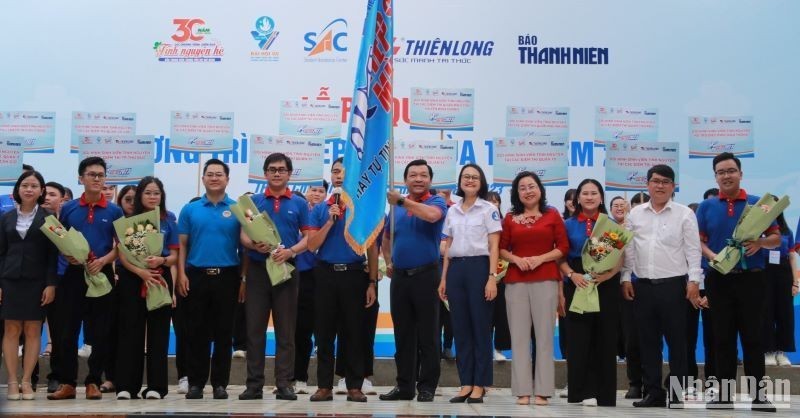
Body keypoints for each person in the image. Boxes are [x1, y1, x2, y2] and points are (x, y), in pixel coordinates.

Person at [696, 152, 780, 411]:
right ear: (715, 176)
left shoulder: (758, 205)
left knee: (754, 338)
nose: (726, 175)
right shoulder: (706, 206)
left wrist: (760, 243)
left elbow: (776, 239)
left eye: (731, 170)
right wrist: (712, 256)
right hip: (718, 280)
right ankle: (723, 395)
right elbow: (699, 241)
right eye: (721, 172)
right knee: (722, 339)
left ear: (740, 174)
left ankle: (759, 396)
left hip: (752, 281)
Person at [621, 165, 702, 408]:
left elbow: (693, 250)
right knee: (648, 343)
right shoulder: (635, 215)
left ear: (673, 186)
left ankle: (677, 394)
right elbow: (629, 249)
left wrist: (694, 281)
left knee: (678, 342)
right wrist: (626, 277)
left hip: (674, 287)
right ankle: (653, 393)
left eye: (666, 181)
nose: (660, 185)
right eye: (655, 181)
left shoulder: (684, 214)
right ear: (647, 184)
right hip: (643, 286)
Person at [48, 157, 123, 400]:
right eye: (92, 174)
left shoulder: (115, 210)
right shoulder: (68, 208)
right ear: (81, 178)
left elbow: (122, 246)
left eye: (101, 175)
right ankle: (68, 382)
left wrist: (104, 260)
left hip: (102, 274)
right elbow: (58, 238)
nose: (97, 179)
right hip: (72, 275)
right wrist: (66, 254)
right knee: (67, 331)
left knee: (101, 331)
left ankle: (93, 381)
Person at [238, 153, 310, 401]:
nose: (276, 173)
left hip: (286, 270)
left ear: (289, 174)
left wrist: (291, 251)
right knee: (254, 330)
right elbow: (244, 235)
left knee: (286, 331)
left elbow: (309, 237)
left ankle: (284, 384)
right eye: (272, 169)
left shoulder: (300, 204)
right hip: (259, 270)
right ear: (265, 174)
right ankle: (254, 385)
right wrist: (252, 245)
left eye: (281, 169)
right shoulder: (254, 201)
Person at [306, 158, 377, 402]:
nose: (339, 176)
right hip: (325, 274)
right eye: (336, 172)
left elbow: (372, 248)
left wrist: (372, 282)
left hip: (354, 275)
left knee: (354, 332)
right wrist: (330, 221)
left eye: (345, 173)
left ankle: (354, 385)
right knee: (324, 333)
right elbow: (312, 245)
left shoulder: (363, 208)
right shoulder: (318, 209)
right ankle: (324, 386)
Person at [379, 159, 447, 403]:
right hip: (400, 279)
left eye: (423, 175)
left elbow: (431, 217)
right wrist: (388, 261)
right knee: (403, 334)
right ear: (406, 180)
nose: (418, 179)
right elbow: (386, 239)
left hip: (427, 276)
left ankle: (427, 386)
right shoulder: (395, 209)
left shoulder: (436, 201)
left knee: (428, 335)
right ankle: (404, 386)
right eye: (413, 175)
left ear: (430, 179)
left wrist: (401, 200)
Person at [499, 171, 568, 406]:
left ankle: (543, 390)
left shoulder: (552, 214)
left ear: (540, 189)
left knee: (545, 337)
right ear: (516, 193)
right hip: (516, 281)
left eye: (531, 186)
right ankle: (522, 391)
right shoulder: (509, 217)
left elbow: (563, 246)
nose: (528, 191)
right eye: (522, 188)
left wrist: (541, 258)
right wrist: (516, 260)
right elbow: (501, 248)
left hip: (546, 279)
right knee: (518, 338)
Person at [176, 159, 241, 400]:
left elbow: (244, 247)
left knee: (224, 333)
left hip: (228, 276)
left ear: (227, 179)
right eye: (210, 174)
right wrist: (181, 274)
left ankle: (220, 384)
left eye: (219, 174)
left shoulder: (237, 209)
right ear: (203, 179)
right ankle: (196, 384)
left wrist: (242, 279)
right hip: (196, 276)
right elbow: (182, 244)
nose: (214, 178)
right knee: (197, 333)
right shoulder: (190, 209)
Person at [438, 164, 501, 403]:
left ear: (481, 182)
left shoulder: (488, 209)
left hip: (479, 268)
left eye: (475, 177)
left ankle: (480, 384)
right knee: (460, 328)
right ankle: (465, 382)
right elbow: (448, 246)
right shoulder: (452, 211)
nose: (470, 180)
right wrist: (444, 278)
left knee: (480, 328)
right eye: (466, 177)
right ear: (460, 181)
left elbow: (494, 245)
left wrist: (492, 277)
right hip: (456, 270)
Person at [113, 177, 178, 400]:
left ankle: (156, 387)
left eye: (157, 193)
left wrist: (161, 261)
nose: (152, 197)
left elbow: (175, 255)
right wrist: (140, 271)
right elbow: (121, 254)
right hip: (132, 278)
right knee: (130, 332)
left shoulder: (169, 220)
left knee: (159, 334)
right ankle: (126, 386)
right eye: (148, 192)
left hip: (160, 277)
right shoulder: (128, 220)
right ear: (140, 195)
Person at [559, 178, 621, 407]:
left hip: (605, 283)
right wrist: (571, 275)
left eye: (594, 193)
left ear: (601, 197)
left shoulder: (610, 225)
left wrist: (607, 276)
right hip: (577, 281)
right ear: (578, 198)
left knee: (605, 339)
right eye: (585, 193)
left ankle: (605, 395)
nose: (589, 197)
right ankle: (578, 392)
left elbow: (620, 258)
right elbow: (560, 257)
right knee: (578, 340)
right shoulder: (567, 224)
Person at [1, 170, 58, 400]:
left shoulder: (49, 218)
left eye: (34, 186)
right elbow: (1, 254)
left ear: (41, 190)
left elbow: (53, 256)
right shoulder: (5, 218)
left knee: (34, 330)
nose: (29, 189)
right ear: (18, 189)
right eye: (25, 185)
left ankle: (27, 382)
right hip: (10, 280)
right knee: (11, 330)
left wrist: (51, 284)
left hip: (37, 282)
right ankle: (12, 381)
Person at [293, 179, 328, 394]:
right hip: (302, 275)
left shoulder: (327, 214)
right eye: (313, 190)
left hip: (324, 275)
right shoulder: (297, 214)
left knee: (324, 329)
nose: (316, 194)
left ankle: (330, 382)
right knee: (301, 329)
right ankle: (299, 378)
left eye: (320, 190)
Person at [620, 191, 650, 399]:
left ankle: (652, 383)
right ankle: (635, 382)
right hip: (632, 284)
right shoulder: (626, 224)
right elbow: (626, 255)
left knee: (652, 338)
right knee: (632, 338)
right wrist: (626, 278)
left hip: (657, 284)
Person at [762, 203, 796, 366]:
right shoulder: (758, 229)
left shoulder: (786, 231)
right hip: (763, 272)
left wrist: (795, 282)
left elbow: (792, 256)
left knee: (785, 313)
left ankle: (781, 352)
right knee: (765, 312)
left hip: (783, 273)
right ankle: (768, 351)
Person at [486, 191, 510, 362]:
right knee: (484, 315)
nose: (494, 204)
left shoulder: (505, 223)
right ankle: (484, 348)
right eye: (490, 201)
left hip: (504, 275)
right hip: (484, 274)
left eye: (497, 201)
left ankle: (498, 348)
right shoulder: (478, 221)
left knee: (501, 314)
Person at [435, 188, 455, 360]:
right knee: (435, 309)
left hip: (453, 265)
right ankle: (436, 347)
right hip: (432, 265)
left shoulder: (457, 209)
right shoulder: (429, 210)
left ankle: (448, 346)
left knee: (450, 308)